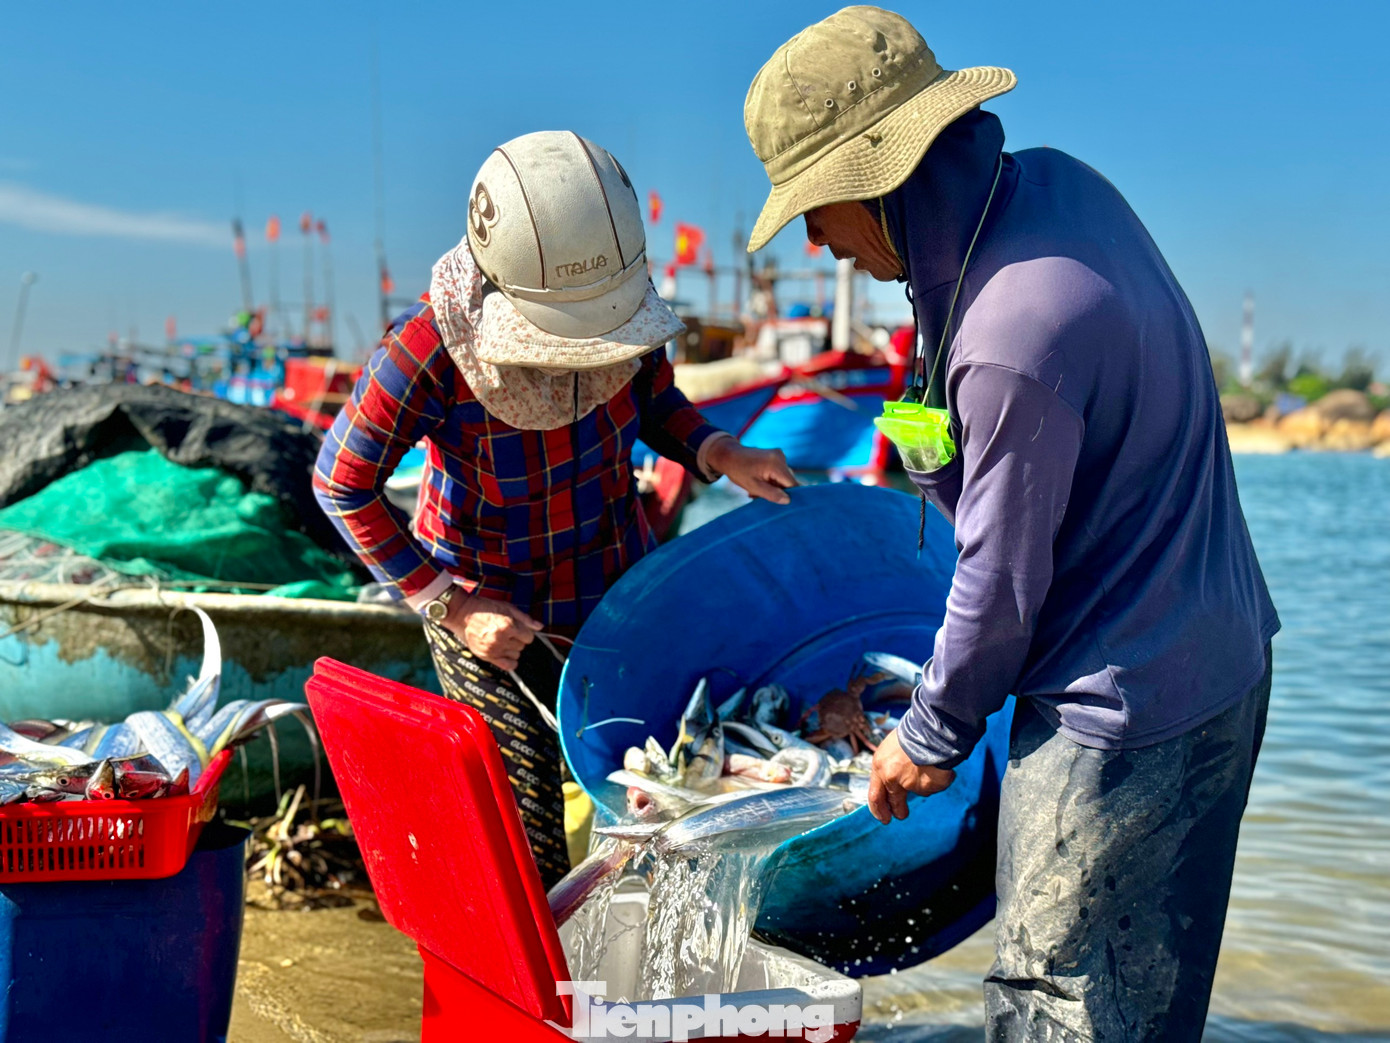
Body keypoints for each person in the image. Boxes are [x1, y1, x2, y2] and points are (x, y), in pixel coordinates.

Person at [744, 8, 1279, 1040]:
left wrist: (929, 735)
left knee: (1053, 1003)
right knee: (1145, 1007)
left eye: (814, 208)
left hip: (1117, 721)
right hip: (1219, 659)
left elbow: (999, 582)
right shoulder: (1050, 189)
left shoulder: (1008, 334)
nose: (811, 237)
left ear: (878, 179)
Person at [315, 131, 795, 890]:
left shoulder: (625, 308)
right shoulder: (428, 346)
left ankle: (657, 986)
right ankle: (549, 991)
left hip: (614, 582)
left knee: (657, 795)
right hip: (487, 604)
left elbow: (656, 400)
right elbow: (341, 481)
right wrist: (453, 604)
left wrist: (719, 452)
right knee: (524, 821)